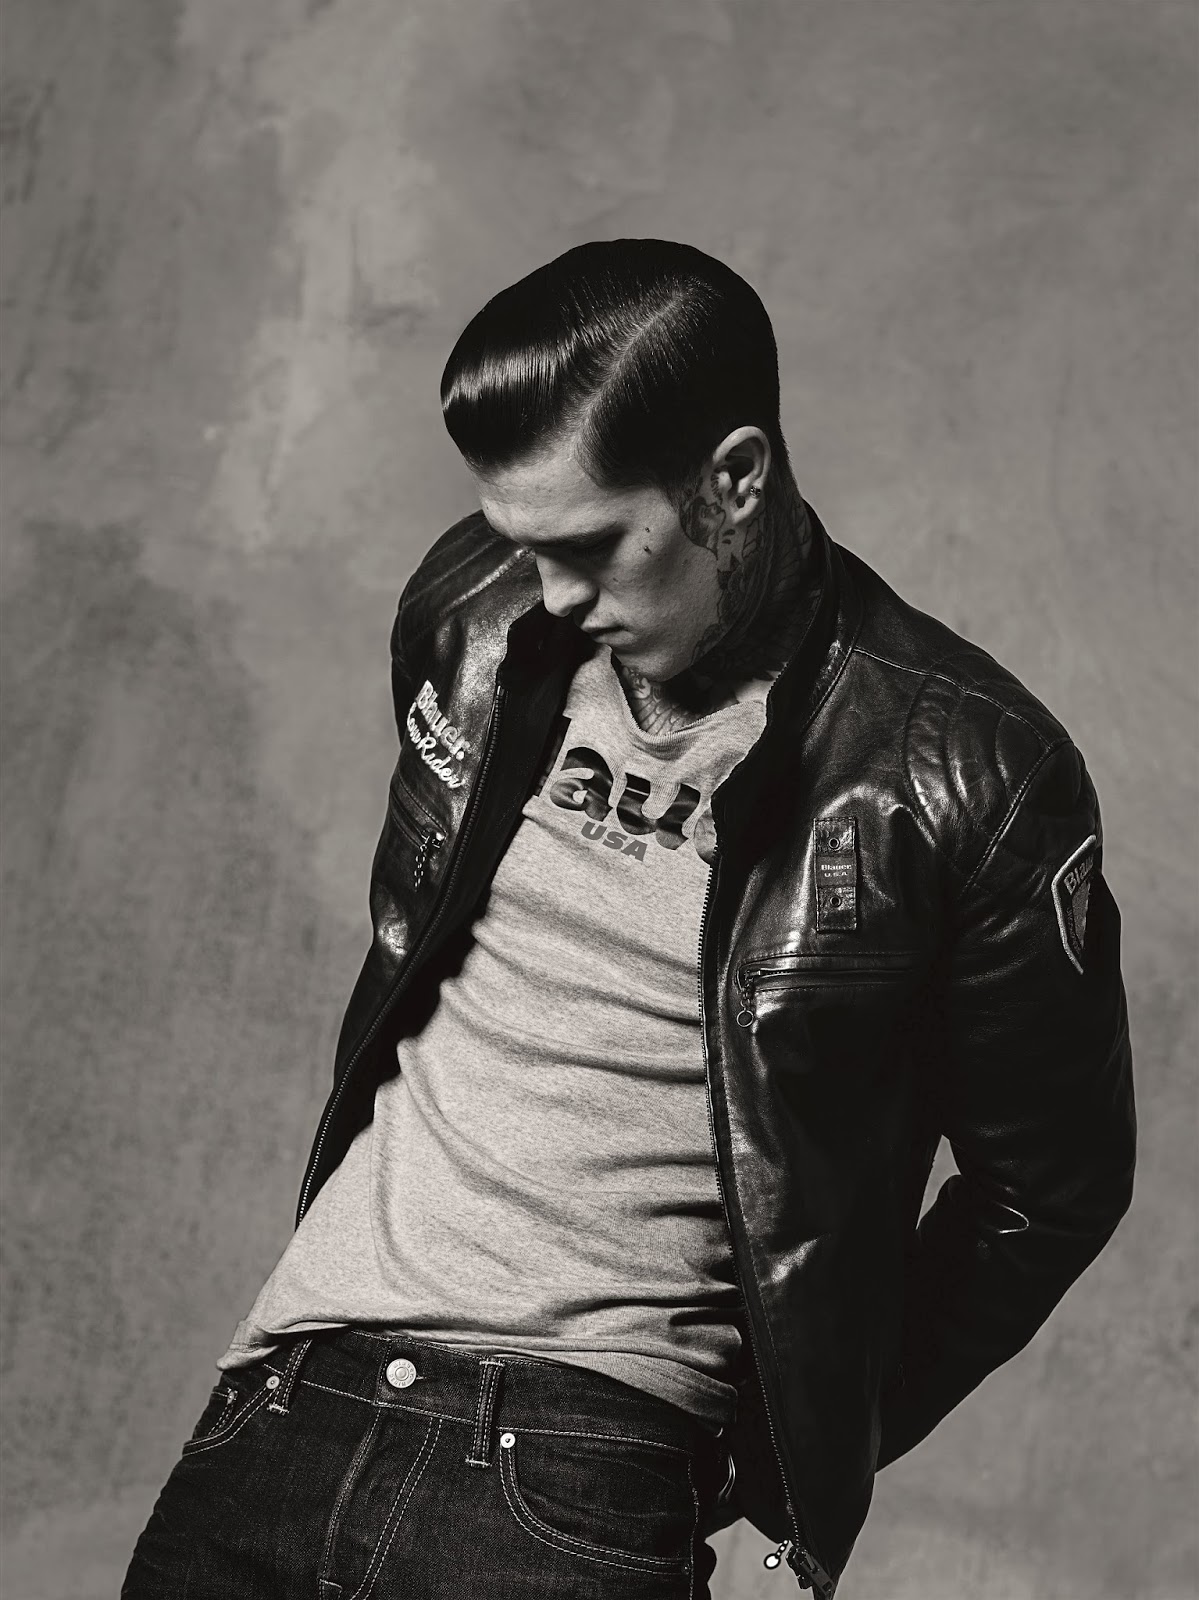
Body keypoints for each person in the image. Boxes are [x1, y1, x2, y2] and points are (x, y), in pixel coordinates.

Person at [123, 240, 1136, 1599]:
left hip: (581, 1466)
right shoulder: (475, 615)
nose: (551, 594)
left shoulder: (967, 776)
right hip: (286, 1405)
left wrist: (783, 1476)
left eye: (592, 547)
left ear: (735, 480)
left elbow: (1049, 1194)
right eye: (521, 543)